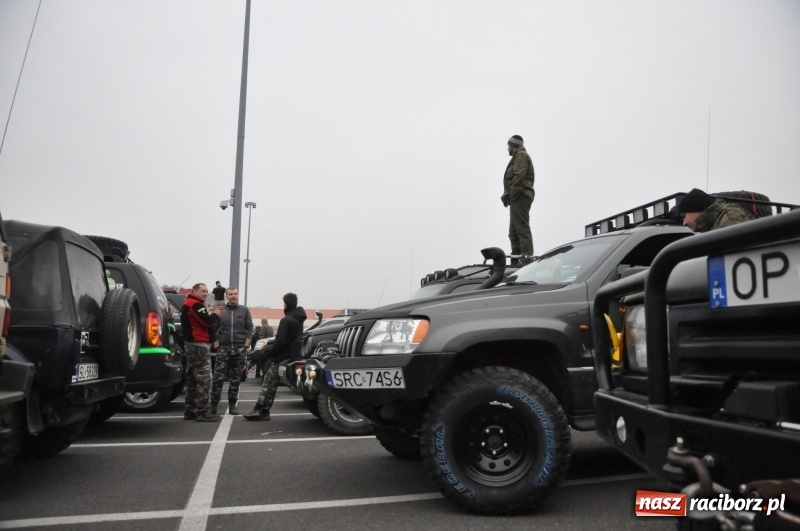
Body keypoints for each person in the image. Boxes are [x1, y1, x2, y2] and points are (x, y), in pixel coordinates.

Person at [243, 293, 307, 421]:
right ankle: (264, 411)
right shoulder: (298, 320)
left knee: (268, 383)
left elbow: (280, 341)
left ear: (286, 304)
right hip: (290, 356)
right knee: (272, 384)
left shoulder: (286, 320)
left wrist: (268, 352)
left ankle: (259, 409)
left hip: (279, 357)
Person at [181, 283, 225, 422]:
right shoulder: (196, 305)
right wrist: (215, 314)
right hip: (199, 346)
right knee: (205, 380)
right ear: (194, 291)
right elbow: (207, 322)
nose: (206, 294)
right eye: (202, 291)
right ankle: (202, 412)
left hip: (192, 345)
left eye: (206, 291)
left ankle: (190, 410)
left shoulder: (189, 304)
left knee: (192, 379)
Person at [210, 287, 254, 416]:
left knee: (236, 378)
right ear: (226, 296)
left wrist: (248, 340)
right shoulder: (221, 310)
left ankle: (232, 404)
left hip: (239, 348)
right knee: (218, 378)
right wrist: (215, 341)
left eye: (235, 294)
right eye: (230, 294)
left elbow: (250, 327)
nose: (233, 296)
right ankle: (213, 404)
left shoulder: (244, 310)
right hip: (223, 348)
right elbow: (213, 327)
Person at [501, 135, 535, 265]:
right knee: (513, 232)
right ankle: (516, 262)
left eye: (509, 145)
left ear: (514, 146)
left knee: (521, 229)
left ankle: (526, 261)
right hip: (516, 197)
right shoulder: (518, 156)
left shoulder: (521, 156)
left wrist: (510, 194)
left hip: (520, 196)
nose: (507, 148)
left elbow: (519, 176)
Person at [678, 188, 754, 233]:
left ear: (695, 208)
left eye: (684, 216)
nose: (684, 223)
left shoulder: (729, 218)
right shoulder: (712, 224)